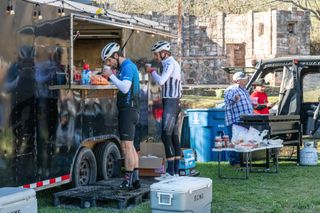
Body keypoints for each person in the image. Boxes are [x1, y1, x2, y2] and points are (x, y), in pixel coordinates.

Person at [101, 42, 140, 190]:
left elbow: (124, 88)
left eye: (110, 60)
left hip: (128, 110)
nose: (109, 64)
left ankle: (127, 181)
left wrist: (111, 76)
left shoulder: (128, 66)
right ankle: (135, 180)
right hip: (131, 109)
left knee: (126, 147)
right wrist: (113, 76)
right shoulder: (125, 67)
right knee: (132, 148)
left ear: (116, 55)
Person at [146, 41, 182, 179]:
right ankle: (175, 172)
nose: (155, 57)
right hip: (172, 101)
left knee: (165, 135)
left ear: (164, 53)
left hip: (171, 102)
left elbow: (161, 81)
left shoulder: (170, 63)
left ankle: (170, 172)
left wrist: (152, 71)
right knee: (173, 136)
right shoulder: (168, 63)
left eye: (156, 54)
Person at [224, 71, 253, 166]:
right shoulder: (231, 89)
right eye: (244, 79)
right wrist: (235, 98)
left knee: (242, 141)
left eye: (246, 78)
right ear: (237, 80)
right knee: (234, 141)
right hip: (234, 120)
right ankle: (234, 162)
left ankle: (241, 161)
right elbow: (228, 99)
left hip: (244, 120)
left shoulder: (245, 90)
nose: (246, 80)